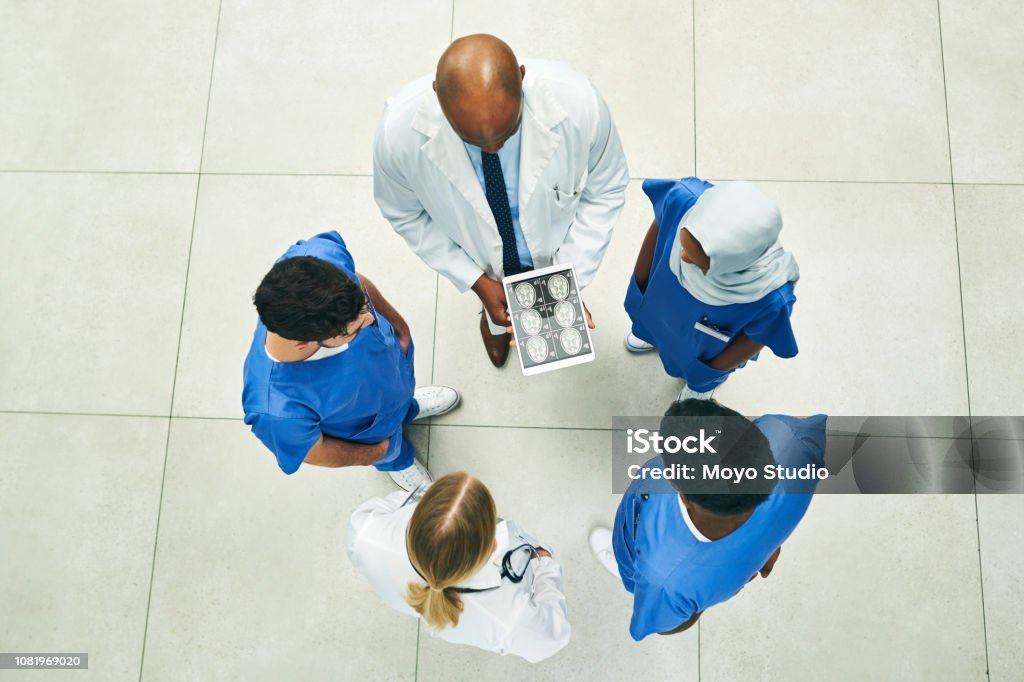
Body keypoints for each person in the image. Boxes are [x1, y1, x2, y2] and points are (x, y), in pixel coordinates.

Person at [374, 33, 629, 366]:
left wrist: (569, 282)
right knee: (496, 300)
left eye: (507, 133)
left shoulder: (580, 105)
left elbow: (607, 189)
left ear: (522, 77)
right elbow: (404, 215)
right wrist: (475, 280)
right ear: (437, 95)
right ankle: (492, 320)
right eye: (472, 141)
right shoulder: (397, 136)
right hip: (479, 253)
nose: (492, 150)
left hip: (552, 245)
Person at [589, 399, 826, 641]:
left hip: (646, 556)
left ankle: (628, 573)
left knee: (634, 566)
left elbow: (666, 625)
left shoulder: (664, 580)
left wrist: (695, 599)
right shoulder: (787, 438)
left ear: (683, 494)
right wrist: (765, 544)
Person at [241, 231, 460, 491]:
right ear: (304, 343)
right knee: (392, 448)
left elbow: (357, 281)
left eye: (364, 309)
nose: (371, 321)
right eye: (353, 330)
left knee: (402, 402)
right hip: (369, 430)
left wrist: (400, 329)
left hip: (391, 374)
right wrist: (377, 452)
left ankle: (408, 409)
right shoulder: (278, 410)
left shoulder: (317, 259)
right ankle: (398, 463)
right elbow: (318, 452)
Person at [347, 471, 571, 662]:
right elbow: (551, 638)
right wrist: (545, 566)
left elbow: (391, 504)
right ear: (493, 545)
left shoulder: (366, 532)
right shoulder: (511, 618)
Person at [624, 177, 801, 400]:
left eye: (698, 261)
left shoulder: (769, 296)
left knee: (697, 372)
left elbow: (753, 341)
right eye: (683, 244)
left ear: (733, 262)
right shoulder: (683, 200)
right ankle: (648, 333)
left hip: (703, 346)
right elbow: (659, 229)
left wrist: (708, 372)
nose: (682, 258)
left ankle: (700, 387)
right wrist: (639, 291)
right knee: (652, 323)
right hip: (659, 301)